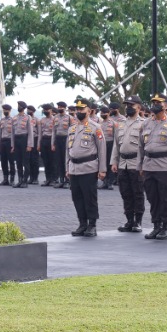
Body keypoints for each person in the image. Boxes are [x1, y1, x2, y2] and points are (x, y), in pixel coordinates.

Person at [138, 94, 167, 240]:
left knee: (166, 197)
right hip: (149, 165)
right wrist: (140, 165)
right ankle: (156, 225)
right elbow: (140, 147)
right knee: (152, 197)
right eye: (154, 102)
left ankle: (166, 227)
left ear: (165, 106)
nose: (155, 105)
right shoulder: (145, 124)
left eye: (159, 103)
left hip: (164, 166)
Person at [65, 98, 107, 237]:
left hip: (89, 168)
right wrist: (67, 168)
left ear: (89, 111)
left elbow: (102, 149)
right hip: (74, 168)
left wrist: (102, 169)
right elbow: (68, 150)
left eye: (81, 109)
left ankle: (92, 225)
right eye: (77, 109)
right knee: (77, 198)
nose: (78, 112)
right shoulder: (72, 128)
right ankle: (82, 224)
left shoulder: (96, 128)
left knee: (89, 198)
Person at [111, 96, 146, 232]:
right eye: (126, 105)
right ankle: (129, 220)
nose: (128, 107)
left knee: (137, 193)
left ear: (138, 107)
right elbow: (116, 145)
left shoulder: (144, 123)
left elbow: (145, 146)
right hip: (123, 163)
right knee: (125, 192)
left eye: (131, 105)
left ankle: (138, 221)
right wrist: (114, 161)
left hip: (135, 162)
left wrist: (143, 164)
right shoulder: (121, 124)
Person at [38, 104, 57, 186]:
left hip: (51, 140)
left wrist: (54, 144)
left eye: (47, 110)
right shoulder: (42, 120)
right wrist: (39, 144)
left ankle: (53, 179)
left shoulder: (55, 119)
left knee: (52, 161)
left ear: (51, 110)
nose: (45, 111)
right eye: (44, 110)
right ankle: (47, 179)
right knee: (45, 161)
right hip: (44, 141)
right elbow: (40, 134)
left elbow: (55, 133)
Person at [0, 103, 15, 186]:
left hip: (10, 141)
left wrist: (13, 145)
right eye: (4, 110)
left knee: (11, 161)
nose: (5, 111)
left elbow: (14, 133)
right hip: (3, 142)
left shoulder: (13, 120)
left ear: (10, 111)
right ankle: (5, 179)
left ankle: (12, 179)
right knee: (3, 161)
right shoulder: (2, 120)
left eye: (6, 110)